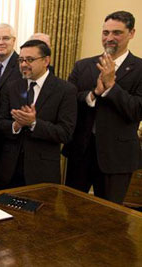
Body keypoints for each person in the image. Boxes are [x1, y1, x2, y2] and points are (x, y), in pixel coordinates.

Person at [63, 11, 142, 204]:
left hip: (117, 158)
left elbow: (136, 110)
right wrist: (94, 94)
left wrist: (112, 87)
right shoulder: (83, 66)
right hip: (80, 153)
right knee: (71, 212)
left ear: (132, 33)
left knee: (111, 219)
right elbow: (69, 101)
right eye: (105, 32)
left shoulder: (139, 69)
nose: (109, 38)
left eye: (117, 33)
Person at [0, 40, 77, 188]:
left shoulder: (65, 90)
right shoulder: (11, 87)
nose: (23, 64)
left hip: (42, 172)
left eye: (30, 60)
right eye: (21, 60)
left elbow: (65, 133)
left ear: (46, 60)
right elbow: (0, 123)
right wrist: (16, 125)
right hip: (9, 171)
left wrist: (34, 123)